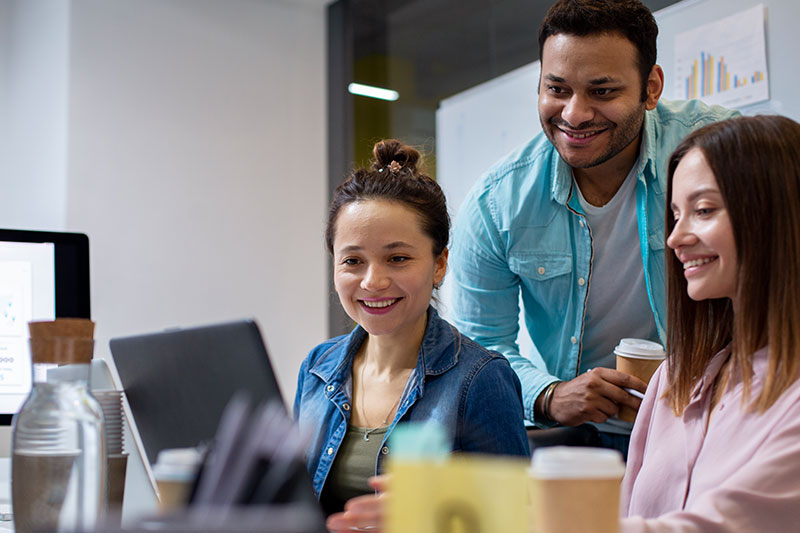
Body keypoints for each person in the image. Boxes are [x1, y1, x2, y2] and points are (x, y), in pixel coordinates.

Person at [448, 0, 738, 452]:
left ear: (651, 88)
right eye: (557, 89)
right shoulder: (497, 204)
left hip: (721, 419)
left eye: (602, 92)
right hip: (592, 435)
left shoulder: (718, 148)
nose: (575, 114)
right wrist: (548, 395)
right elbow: (478, 346)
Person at [294, 139, 530, 516]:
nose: (372, 281)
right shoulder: (317, 368)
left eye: (398, 258)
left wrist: (426, 516)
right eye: (353, 260)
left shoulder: (480, 378)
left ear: (439, 265)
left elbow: (518, 518)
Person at [620, 115, 800, 530]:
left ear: (773, 214)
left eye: (703, 210)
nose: (675, 237)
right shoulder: (674, 377)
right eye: (676, 214)